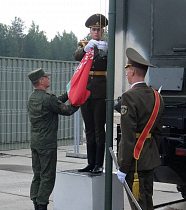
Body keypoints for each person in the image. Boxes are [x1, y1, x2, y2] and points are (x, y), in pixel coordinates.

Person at [117, 48, 164, 209]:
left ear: (132, 71)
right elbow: (157, 132)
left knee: (137, 204)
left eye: (127, 70)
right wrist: (150, 152)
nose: (126, 74)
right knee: (147, 201)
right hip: (149, 158)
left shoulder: (129, 96)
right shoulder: (157, 96)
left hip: (134, 161)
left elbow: (128, 135)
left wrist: (123, 166)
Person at [27, 68, 79, 210]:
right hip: (47, 143)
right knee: (47, 176)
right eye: (46, 77)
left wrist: (69, 94)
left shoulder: (33, 97)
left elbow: (55, 102)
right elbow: (67, 110)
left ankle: (36, 203)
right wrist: (79, 100)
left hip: (36, 142)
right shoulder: (47, 99)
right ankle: (42, 204)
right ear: (42, 81)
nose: (49, 79)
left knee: (37, 174)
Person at [73, 13, 108, 174]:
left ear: (103, 31)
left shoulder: (107, 46)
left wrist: (107, 51)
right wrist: (86, 49)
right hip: (86, 91)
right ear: (90, 31)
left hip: (100, 91)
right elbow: (76, 56)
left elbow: (114, 60)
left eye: (99, 29)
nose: (96, 32)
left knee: (99, 128)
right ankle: (90, 162)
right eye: (94, 29)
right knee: (89, 128)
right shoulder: (84, 45)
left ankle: (99, 163)